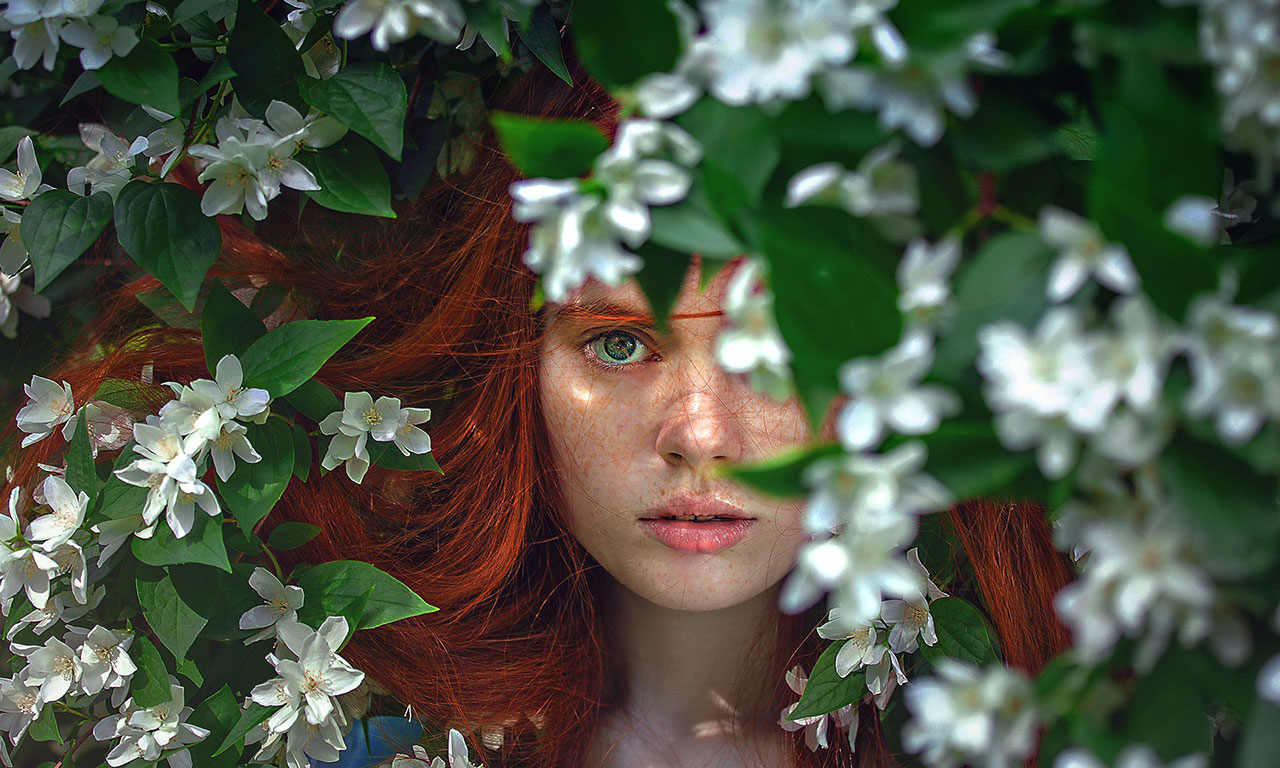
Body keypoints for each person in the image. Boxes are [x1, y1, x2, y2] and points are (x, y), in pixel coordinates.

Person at [5, 51, 1074, 768]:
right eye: (616, 343)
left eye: (775, 348)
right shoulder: (385, 746)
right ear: (516, 371)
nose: (697, 432)